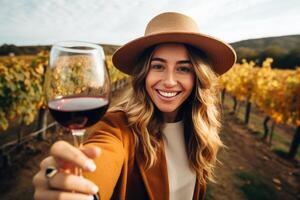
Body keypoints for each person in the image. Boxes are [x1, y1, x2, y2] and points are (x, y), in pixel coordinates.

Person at [33, 12, 236, 200]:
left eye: (183, 69)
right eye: (158, 66)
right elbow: (102, 157)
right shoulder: (117, 128)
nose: (169, 81)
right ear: (143, 73)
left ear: (198, 77)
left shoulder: (199, 127)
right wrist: (81, 190)